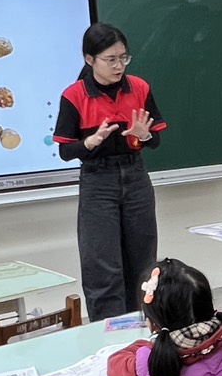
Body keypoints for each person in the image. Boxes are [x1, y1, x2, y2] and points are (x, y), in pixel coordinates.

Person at [54, 23, 167, 320]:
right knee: (103, 266)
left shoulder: (139, 88)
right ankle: (110, 340)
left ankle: (145, 330)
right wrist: (89, 142)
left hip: (136, 177)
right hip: (97, 181)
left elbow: (155, 141)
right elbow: (66, 151)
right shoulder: (74, 96)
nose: (119, 66)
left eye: (123, 58)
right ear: (90, 60)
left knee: (143, 262)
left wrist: (143, 135)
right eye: (111, 59)